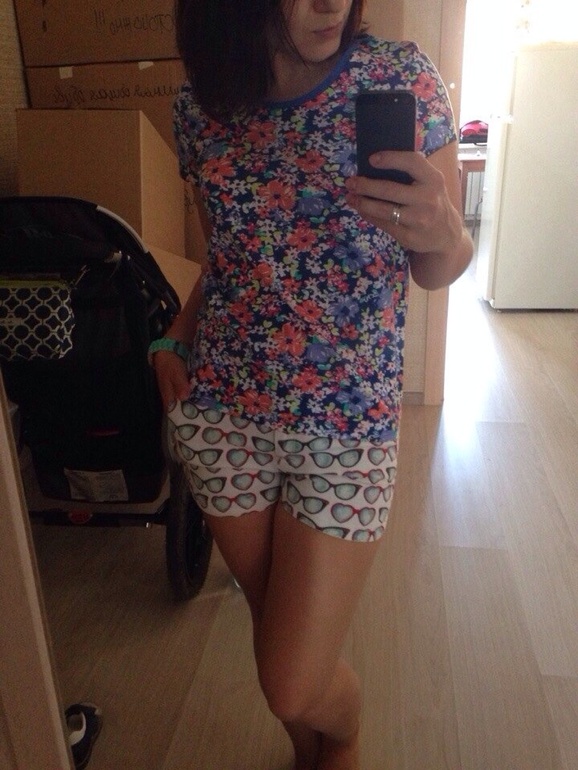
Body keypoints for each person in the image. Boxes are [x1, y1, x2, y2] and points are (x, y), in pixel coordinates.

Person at [149, 1, 473, 768]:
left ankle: (344, 738)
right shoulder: (202, 106)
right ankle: (310, 753)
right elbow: (229, 258)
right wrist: (175, 333)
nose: (331, 1)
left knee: (291, 679)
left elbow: (438, 269)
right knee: (277, 643)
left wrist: (447, 234)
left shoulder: (402, 80)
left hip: (346, 426)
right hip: (222, 414)